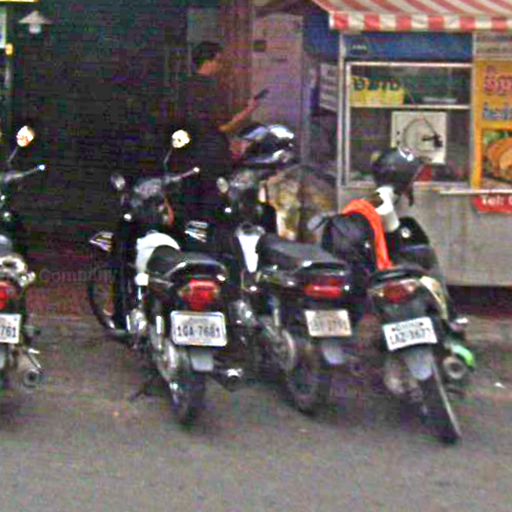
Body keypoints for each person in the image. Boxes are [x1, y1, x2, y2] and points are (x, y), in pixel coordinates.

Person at [180, 41, 260, 222]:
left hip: (189, 153)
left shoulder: (185, 85)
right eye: (219, 61)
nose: (221, 66)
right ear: (207, 61)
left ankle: (192, 233)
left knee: (192, 203)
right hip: (211, 155)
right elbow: (223, 126)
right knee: (212, 204)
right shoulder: (211, 89)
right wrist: (248, 111)